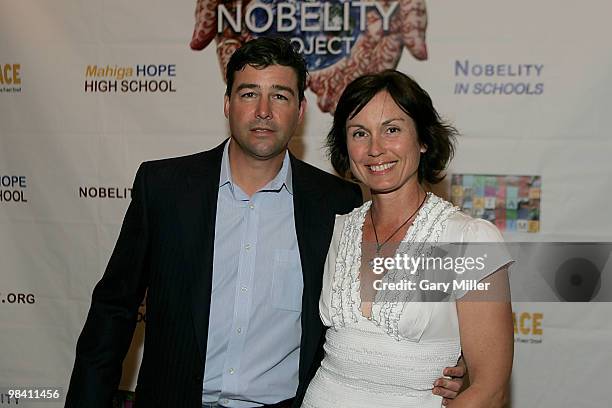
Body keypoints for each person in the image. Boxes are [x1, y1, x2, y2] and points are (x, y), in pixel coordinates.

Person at [65, 38, 464, 408]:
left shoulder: (336, 203)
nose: (263, 111)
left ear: (300, 111)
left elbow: (366, 316)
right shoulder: (165, 188)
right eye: (249, 93)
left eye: (280, 95)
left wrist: (446, 364)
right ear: (227, 104)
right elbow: (114, 310)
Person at [301, 70, 514, 408]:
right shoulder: (337, 228)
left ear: (423, 140)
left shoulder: (469, 240)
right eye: (359, 133)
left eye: (392, 129)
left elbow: (489, 390)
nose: (375, 149)